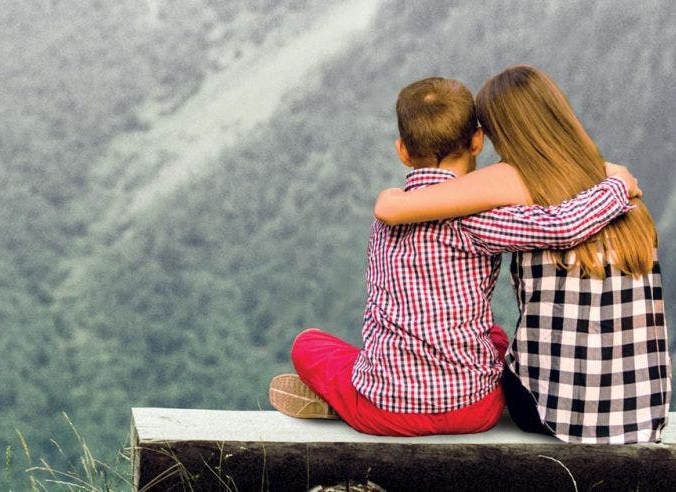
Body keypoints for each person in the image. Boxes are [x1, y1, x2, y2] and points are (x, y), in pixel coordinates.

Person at [268, 76, 640, 437]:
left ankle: (343, 401)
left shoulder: (388, 215)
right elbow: (560, 226)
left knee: (308, 344)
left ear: (402, 150)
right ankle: (363, 394)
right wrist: (616, 186)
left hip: (383, 411)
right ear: (478, 141)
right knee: (495, 338)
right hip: (474, 409)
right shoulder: (484, 217)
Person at [372, 65, 670, 444]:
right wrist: (613, 184)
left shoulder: (515, 182)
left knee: (484, 349)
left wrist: (390, 200)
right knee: (490, 339)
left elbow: (407, 207)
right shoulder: (618, 194)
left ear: (495, 136)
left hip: (549, 411)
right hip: (645, 409)